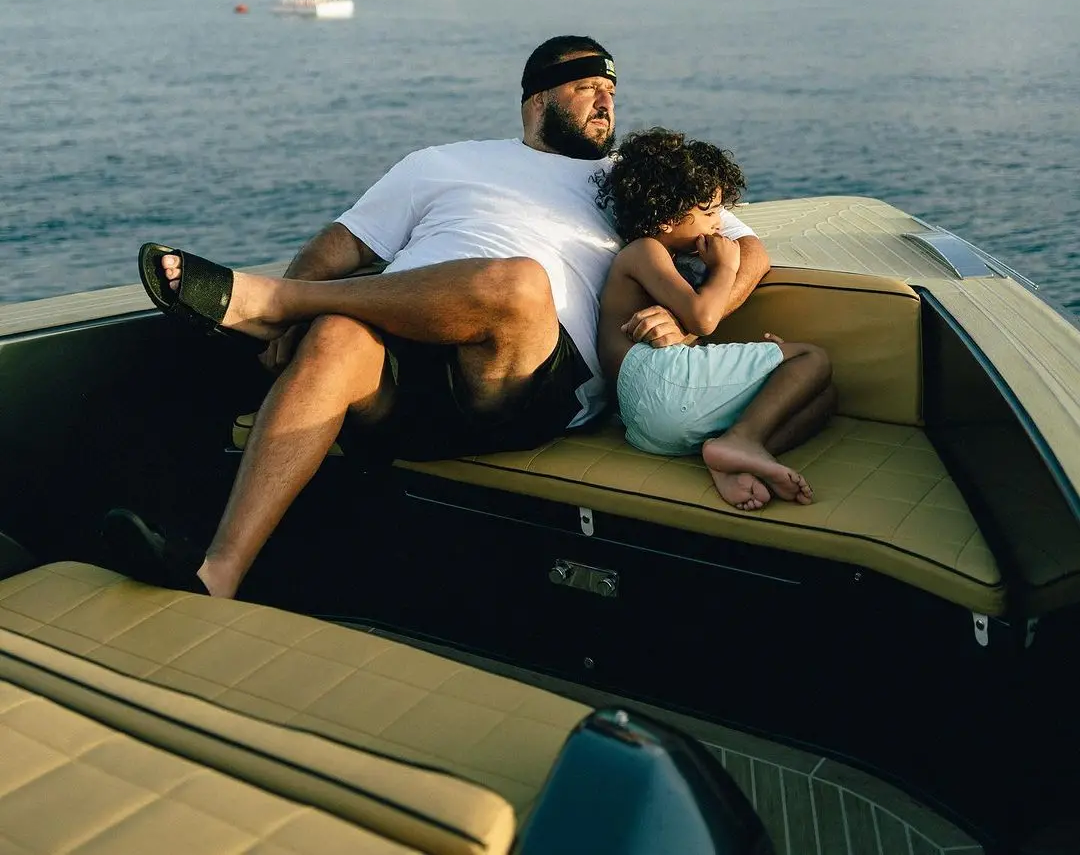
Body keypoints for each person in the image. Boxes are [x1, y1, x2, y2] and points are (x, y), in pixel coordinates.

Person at [107, 37, 772, 598]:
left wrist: (689, 323)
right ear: (537, 98)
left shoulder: (634, 178)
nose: (607, 101)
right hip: (410, 376)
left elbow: (748, 251)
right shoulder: (439, 164)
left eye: (612, 91)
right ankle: (216, 576)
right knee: (338, 336)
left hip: (525, 378)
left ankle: (272, 306)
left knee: (518, 282)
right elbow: (342, 245)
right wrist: (296, 318)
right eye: (587, 86)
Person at [594, 128, 836, 512]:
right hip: (659, 385)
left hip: (644, 423)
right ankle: (739, 442)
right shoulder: (643, 252)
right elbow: (703, 320)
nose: (718, 225)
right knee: (812, 360)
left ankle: (735, 459)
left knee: (822, 400)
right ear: (669, 217)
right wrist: (726, 266)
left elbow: (688, 339)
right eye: (708, 214)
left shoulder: (664, 258)